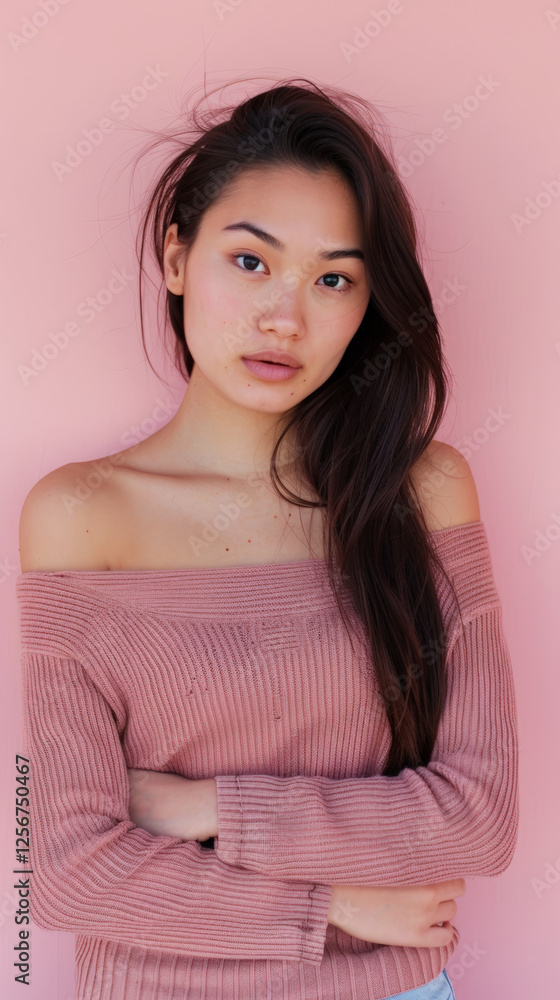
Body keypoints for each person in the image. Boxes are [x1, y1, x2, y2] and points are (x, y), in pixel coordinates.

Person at [17, 78, 518, 1000]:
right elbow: (65, 872)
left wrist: (200, 808)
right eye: (251, 262)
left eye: (333, 278)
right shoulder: (83, 514)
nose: (285, 315)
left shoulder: (417, 490)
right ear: (177, 257)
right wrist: (330, 903)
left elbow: (477, 817)